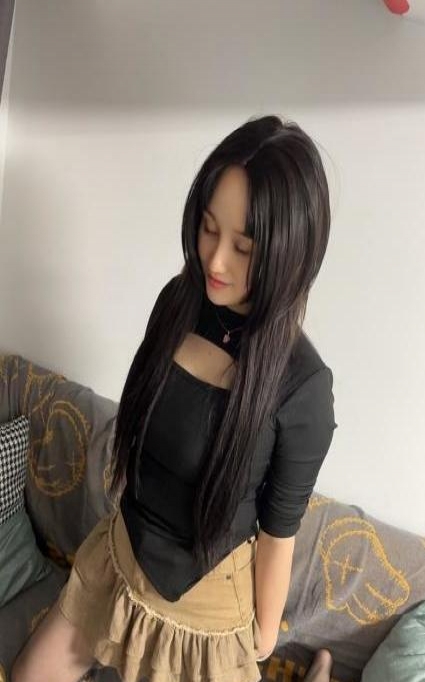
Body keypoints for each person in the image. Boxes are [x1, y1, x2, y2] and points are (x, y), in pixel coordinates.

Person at [11, 114, 337, 682]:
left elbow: (278, 533)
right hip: (121, 556)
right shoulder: (180, 300)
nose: (215, 261)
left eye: (243, 247)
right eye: (209, 229)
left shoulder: (303, 387)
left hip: (204, 607)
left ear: (289, 254)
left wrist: (262, 639)